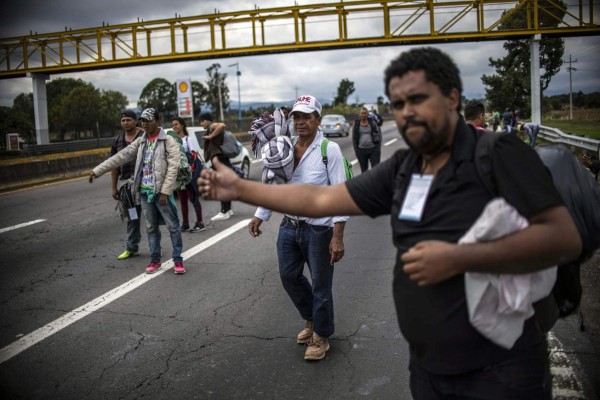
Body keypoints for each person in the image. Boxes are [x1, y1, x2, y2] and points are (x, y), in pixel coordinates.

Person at [198, 47, 582, 398]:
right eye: (398, 103)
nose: (406, 112)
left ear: (451, 98)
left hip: (502, 367)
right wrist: (242, 189)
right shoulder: (404, 166)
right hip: (430, 362)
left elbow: (563, 237)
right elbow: (320, 198)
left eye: (418, 99)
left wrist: (460, 258)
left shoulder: (499, 154)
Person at [248, 94, 348, 361]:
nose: (301, 122)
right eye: (297, 117)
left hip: (320, 230)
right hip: (290, 227)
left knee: (321, 287)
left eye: (307, 117)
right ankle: (312, 319)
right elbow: (273, 184)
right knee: (289, 277)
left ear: (318, 120)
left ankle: (321, 336)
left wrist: (337, 236)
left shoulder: (329, 150)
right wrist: (260, 214)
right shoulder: (285, 146)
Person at [89, 108, 187, 275]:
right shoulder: (141, 141)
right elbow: (121, 156)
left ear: (157, 121)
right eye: (143, 121)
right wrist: (97, 171)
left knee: (173, 227)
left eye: (149, 120)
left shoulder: (167, 140)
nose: (145, 124)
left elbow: (173, 167)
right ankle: (155, 260)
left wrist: (165, 191)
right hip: (144, 192)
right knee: (150, 227)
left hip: (161, 193)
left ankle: (177, 260)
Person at [110, 109, 144, 260]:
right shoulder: (117, 141)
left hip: (146, 185)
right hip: (127, 189)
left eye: (129, 120)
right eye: (123, 120)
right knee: (133, 217)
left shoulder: (144, 136)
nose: (125, 123)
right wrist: (113, 187)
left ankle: (156, 248)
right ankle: (131, 247)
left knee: (151, 218)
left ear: (135, 121)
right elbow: (114, 165)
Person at [171, 116, 206, 232]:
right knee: (182, 200)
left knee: (193, 198)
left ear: (182, 125)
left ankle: (200, 222)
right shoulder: (171, 141)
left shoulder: (187, 139)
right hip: (178, 175)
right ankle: (185, 223)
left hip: (189, 174)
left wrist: (188, 170)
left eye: (176, 124)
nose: (174, 126)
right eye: (173, 125)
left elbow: (194, 155)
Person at [199, 112, 234, 221]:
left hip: (219, 159)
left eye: (202, 121)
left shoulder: (212, 126)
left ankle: (224, 211)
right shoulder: (211, 127)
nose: (201, 124)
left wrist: (210, 136)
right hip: (222, 159)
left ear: (208, 120)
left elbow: (222, 125)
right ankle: (228, 210)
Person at [352, 106, 382, 173]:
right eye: (362, 113)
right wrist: (356, 151)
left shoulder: (372, 123)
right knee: (364, 171)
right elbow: (354, 138)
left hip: (373, 149)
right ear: (359, 114)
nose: (363, 115)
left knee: (375, 170)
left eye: (365, 113)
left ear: (367, 114)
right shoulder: (356, 124)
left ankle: (375, 183)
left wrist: (378, 148)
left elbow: (378, 135)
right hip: (361, 150)